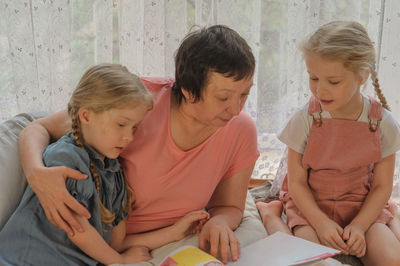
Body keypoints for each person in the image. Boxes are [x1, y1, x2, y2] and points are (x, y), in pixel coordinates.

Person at [18, 25, 259, 264]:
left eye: (244, 94)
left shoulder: (241, 129)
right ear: (188, 90)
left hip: (150, 242)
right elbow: (38, 127)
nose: (236, 109)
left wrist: (220, 221)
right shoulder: (137, 104)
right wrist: (35, 173)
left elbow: (229, 205)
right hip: (95, 243)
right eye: (223, 98)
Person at [0, 64, 209, 265]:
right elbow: (77, 229)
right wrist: (118, 261)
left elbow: (115, 243)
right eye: (121, 124)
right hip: (20, 259)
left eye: (134, 127)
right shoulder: (66, 157)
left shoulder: (115, 174)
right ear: (86, 115)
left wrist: (174, 232)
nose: (129, 137)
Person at [256, 21, 400, 265]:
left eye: (333, 82)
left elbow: (382, 187)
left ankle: (392, 216)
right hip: (311, 207)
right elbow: (298, 183)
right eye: (313, 78)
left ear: (362, 76)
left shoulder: (383, 123)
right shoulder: (305, 118)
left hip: (361, 208)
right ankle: (271, 215)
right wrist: (321, 223)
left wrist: (359, 225)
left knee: (392, 260)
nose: (320, 90)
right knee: (308, 260)